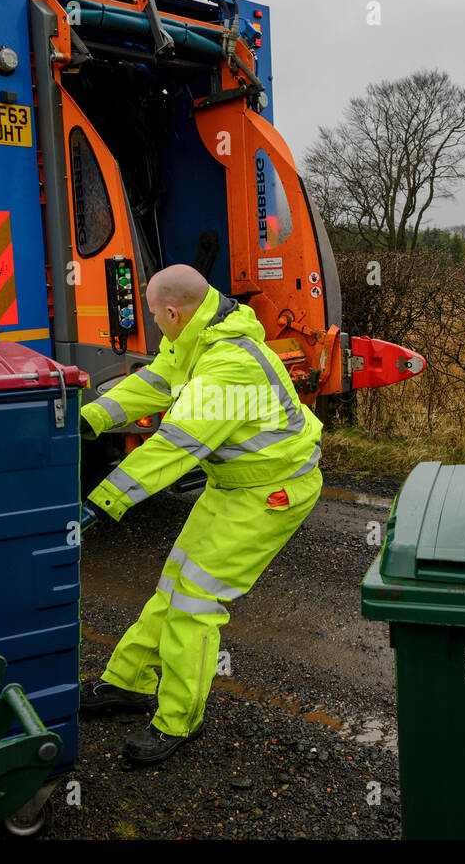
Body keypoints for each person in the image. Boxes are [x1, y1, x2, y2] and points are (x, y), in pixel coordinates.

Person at [77, 264, 323, 765]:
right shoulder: (195, 337)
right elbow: (155, 381)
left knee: (195, 602)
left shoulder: (229, 362)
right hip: (234, 486)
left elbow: (177, 444)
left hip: (270, 492)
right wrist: (90, 420)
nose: (151, 322)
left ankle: (178, 722)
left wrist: (102, 502)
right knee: (173, 584)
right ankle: (128, 683)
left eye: (152, 314)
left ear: (172, 311)